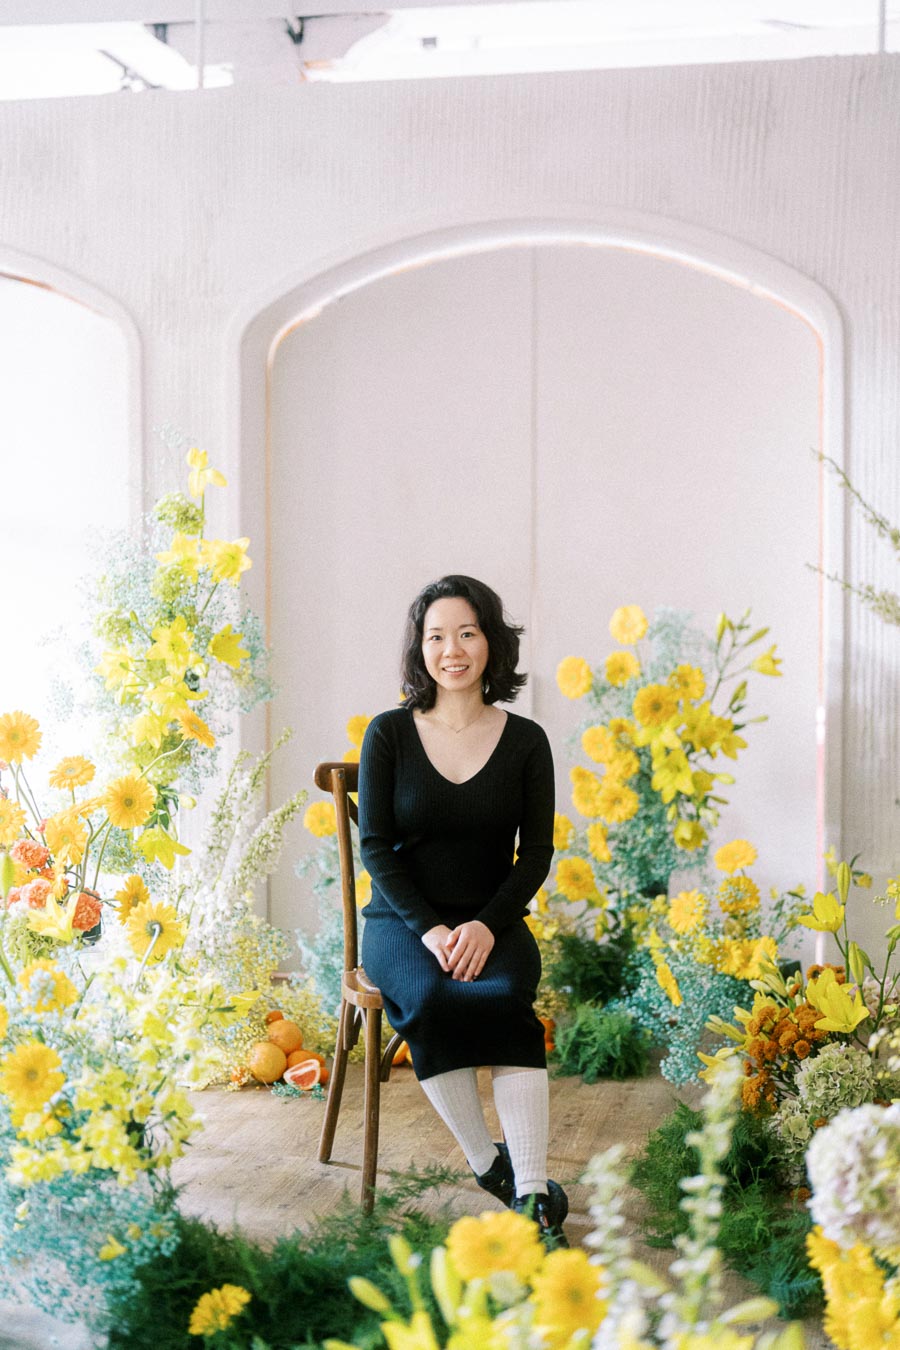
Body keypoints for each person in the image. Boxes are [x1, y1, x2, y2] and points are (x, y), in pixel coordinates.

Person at [358, 574, 567, 1244]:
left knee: (506, 999)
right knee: (429, 999)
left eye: (468, 633)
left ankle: (532, 1201)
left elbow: (535, 854)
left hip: (492, 918)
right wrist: (433, 929)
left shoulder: (527, 740)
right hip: (402, 922)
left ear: (491, 644)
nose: (453, 649)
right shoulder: (389, 733)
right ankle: (488, 1166)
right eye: (437, 635)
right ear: (420, 649)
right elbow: (376, 849)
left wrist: (483, 924)